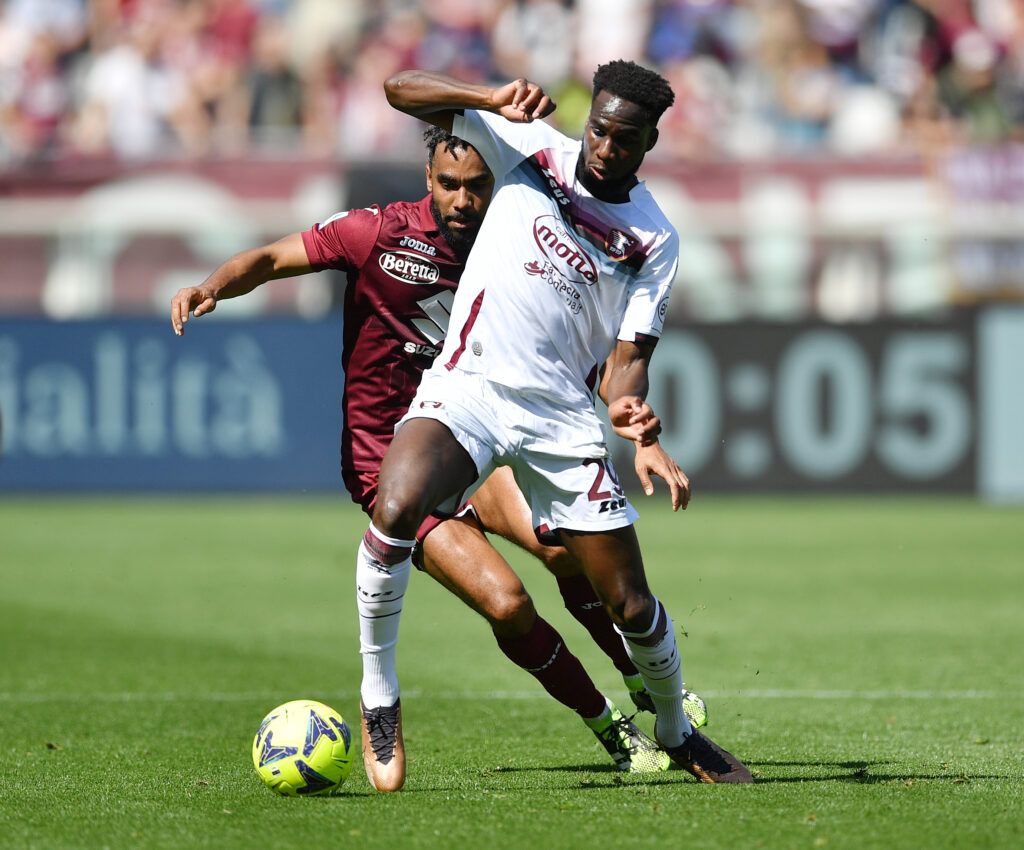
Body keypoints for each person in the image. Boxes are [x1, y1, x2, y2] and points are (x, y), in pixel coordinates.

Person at [170, 126, 708, 791]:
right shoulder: (378, 233)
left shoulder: (517, 239)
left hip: (476, 431)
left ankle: (643, 682)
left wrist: (639, 429)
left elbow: (582, 359)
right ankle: (608, 727)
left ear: (498, 185)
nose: (462, 199)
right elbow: (278, 259)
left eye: (477, 186)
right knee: (508, 604)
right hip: (392, 460)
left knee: (567, 551)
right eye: (448, 184)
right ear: (428, 180)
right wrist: (213, 285)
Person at [367, 60, 754, 785]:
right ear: (588, 121)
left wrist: (634, 420)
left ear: (650, 144)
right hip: (470, 387)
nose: (604, 147)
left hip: (560, 422)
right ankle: (379, 701)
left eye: (624, 138)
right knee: (395, 504)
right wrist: (486, 97)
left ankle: (676, 732)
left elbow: (629, 361)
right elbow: (398, 89)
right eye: (599, 129)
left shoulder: (655, 238)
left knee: (630, 604)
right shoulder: (532, 146)